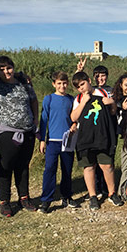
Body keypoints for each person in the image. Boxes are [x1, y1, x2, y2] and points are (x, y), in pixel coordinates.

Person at [0, 55, 39, 216]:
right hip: (7, 132)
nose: (6, 72)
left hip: (27, 131)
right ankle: (5, 201)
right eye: (1, 69)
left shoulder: (23, 83)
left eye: (8, 68)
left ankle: (24, 198)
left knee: (23, 165)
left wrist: (35, 120)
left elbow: (33, 101)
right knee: (5, 166)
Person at [70, 70, 122, 210]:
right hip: (86, 138)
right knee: (89, 167)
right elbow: (73, 117)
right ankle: (93, 196)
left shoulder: (104, 93)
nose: (81, 88)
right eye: (78, 87)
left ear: (89, 81)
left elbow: (113, 113)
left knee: (107, 166)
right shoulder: (78, 99)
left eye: (83, 84)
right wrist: (84, 102)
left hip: (103, 136)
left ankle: (112, 193)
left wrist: (112, 103)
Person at [38, 71, 76, 213]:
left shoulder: (71, 99)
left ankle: (66, 196)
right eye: (59, 83)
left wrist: (74, 124)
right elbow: (43, 120)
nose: (62, 86)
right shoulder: (49, 99)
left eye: (65, 83)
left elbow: (75, 117)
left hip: (67, 141)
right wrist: (42, 140)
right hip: (52, 141)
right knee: (49, 170)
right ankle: (46, 200)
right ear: (54, 84)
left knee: (67, 170)